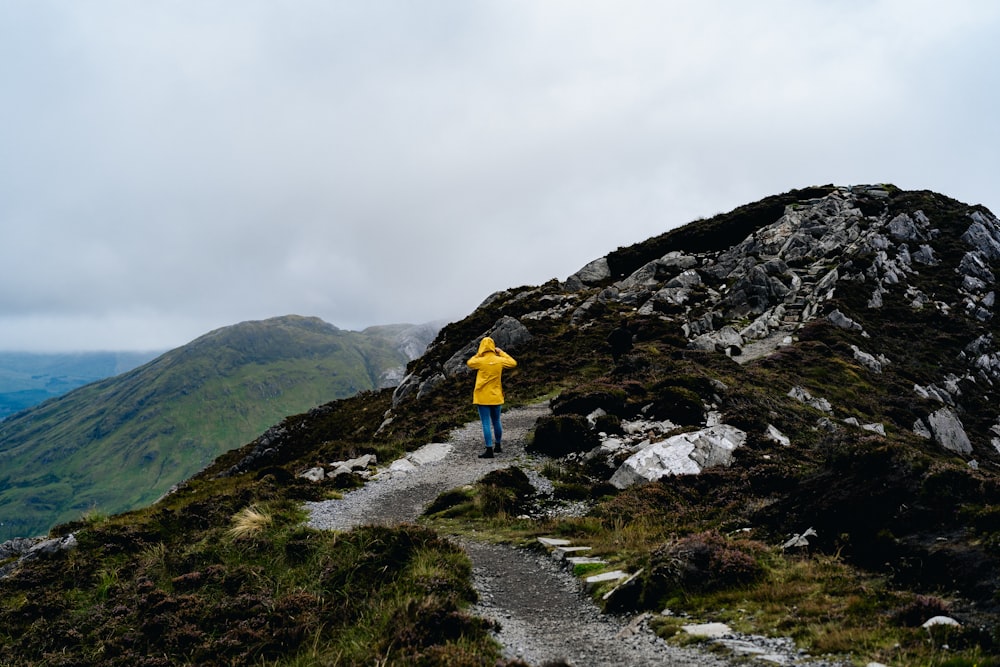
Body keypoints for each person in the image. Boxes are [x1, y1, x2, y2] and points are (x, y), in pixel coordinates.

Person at [466, 336, 517, 458]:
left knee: (485, 423)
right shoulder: (499, 360)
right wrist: (500, 352)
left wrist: (479, 354)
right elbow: (513, 363)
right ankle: (498, 446)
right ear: (493, 346)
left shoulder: (480, 361)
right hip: (496, 396)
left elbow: (469, 362)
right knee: (496, 421)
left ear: (482, 347)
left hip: (482, 397)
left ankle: (489, 450)